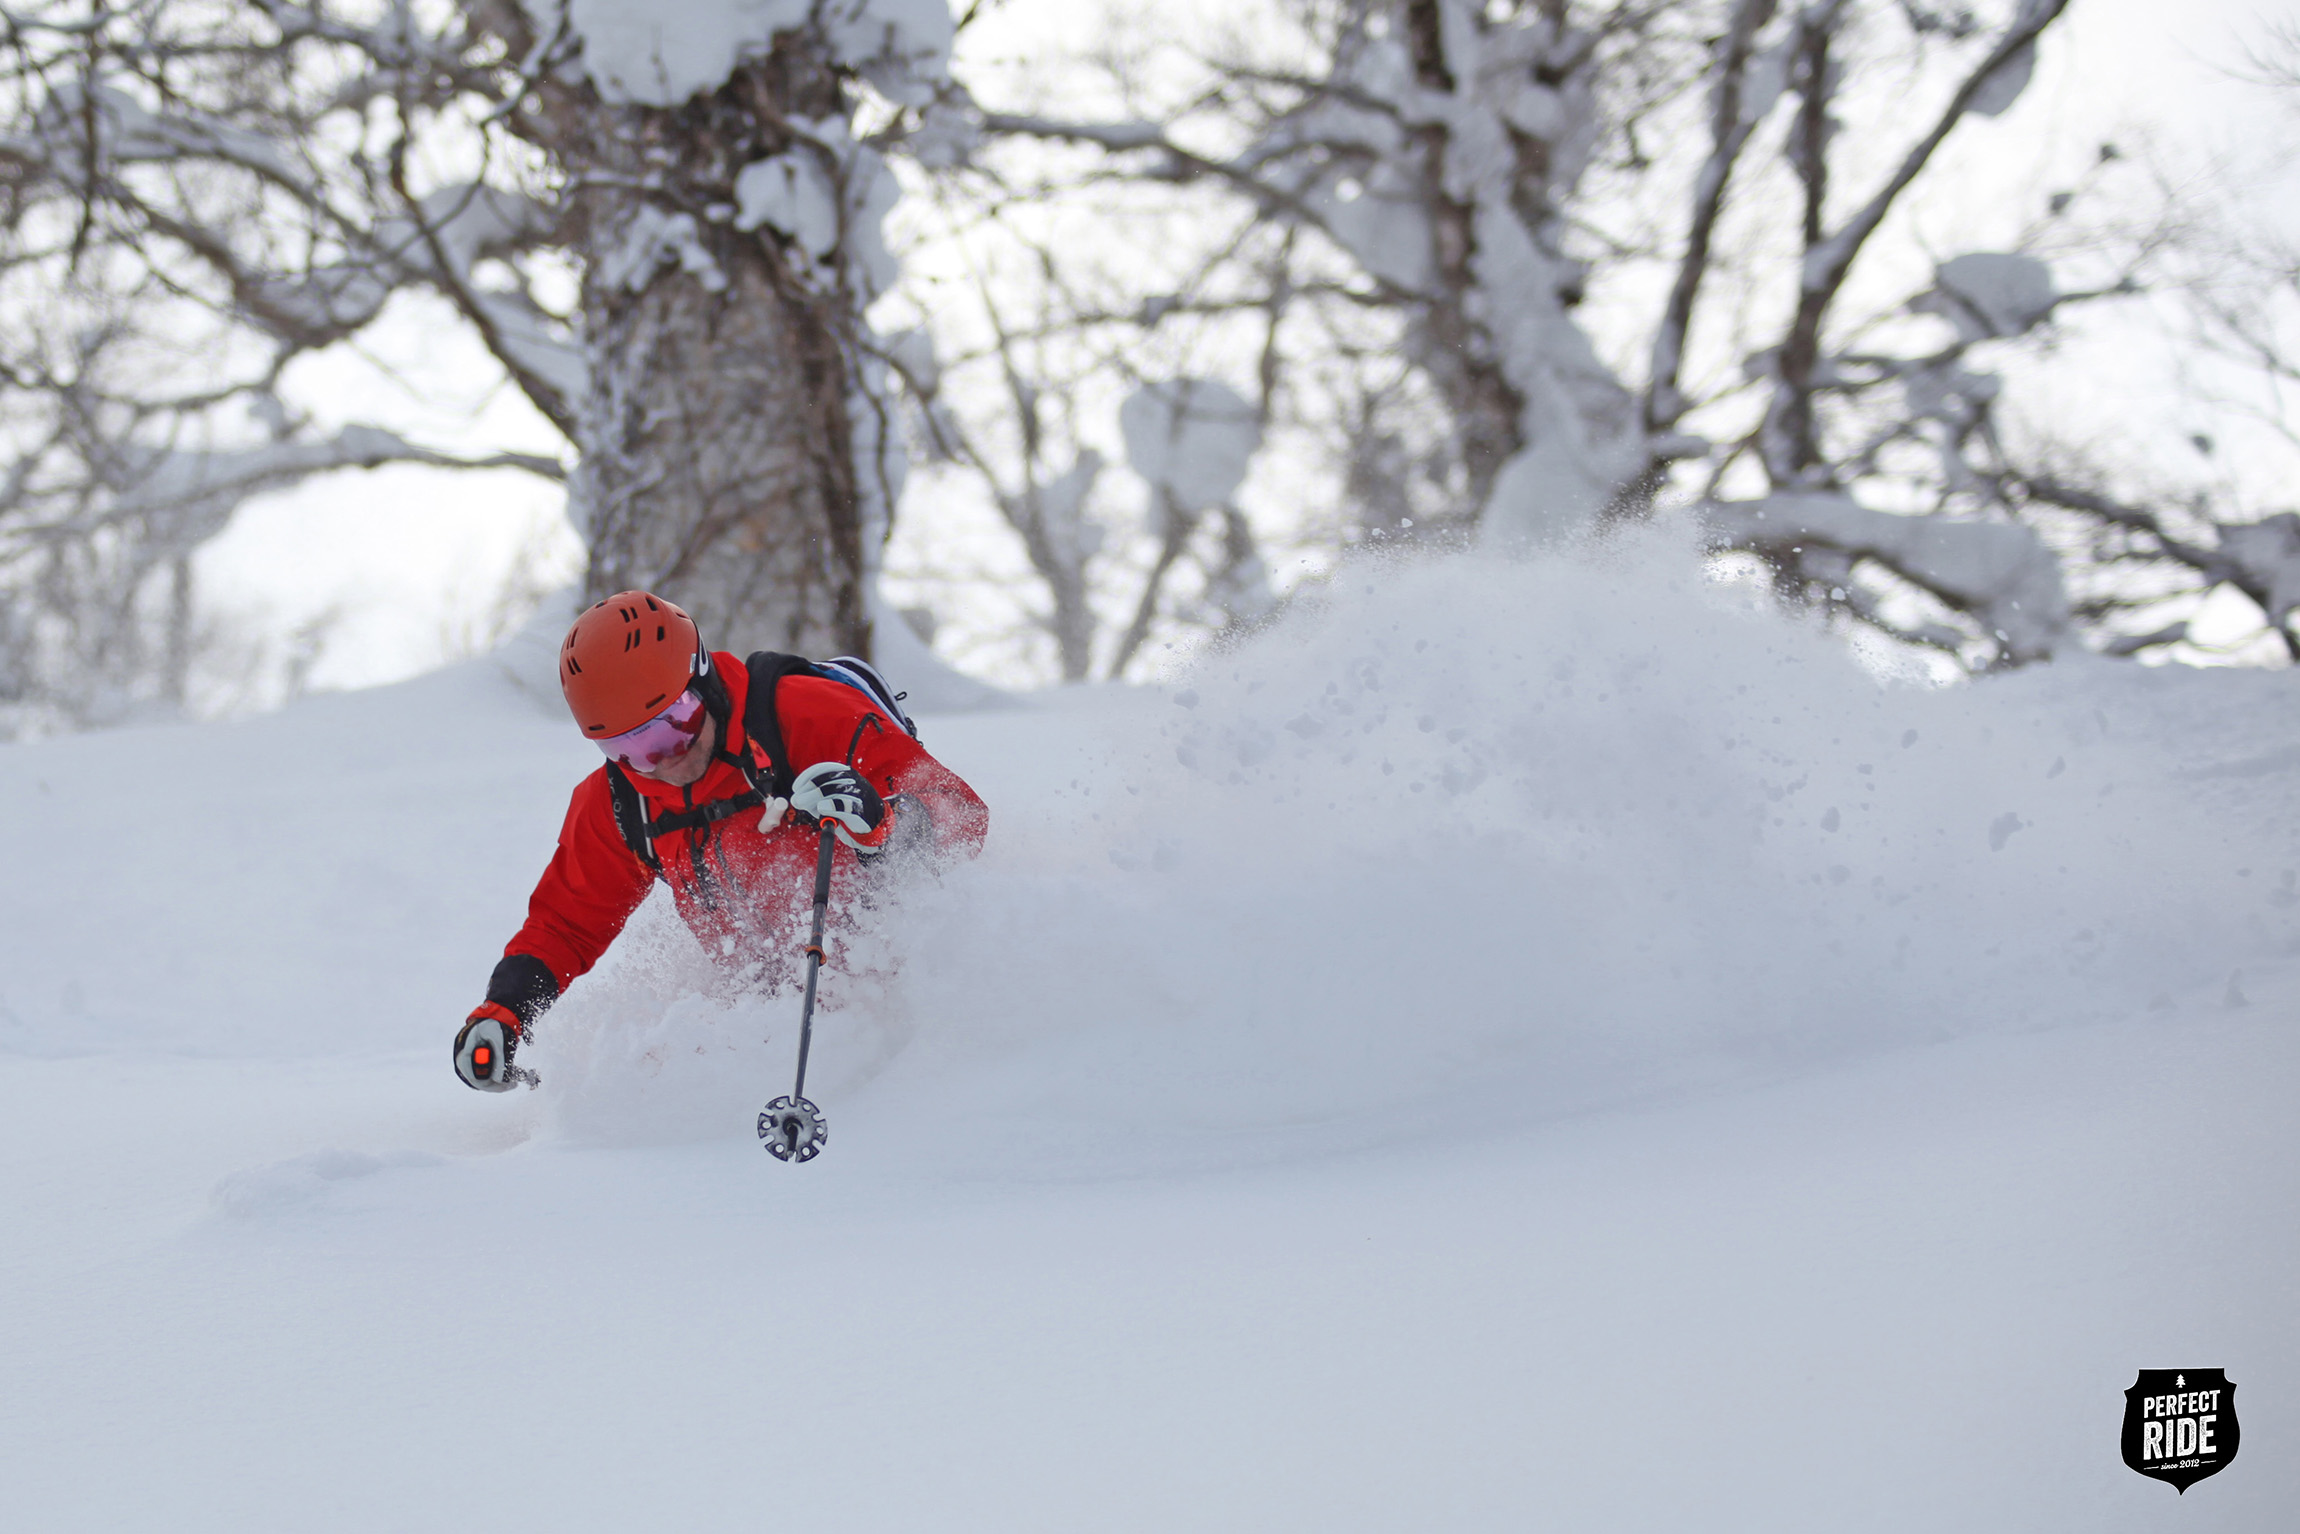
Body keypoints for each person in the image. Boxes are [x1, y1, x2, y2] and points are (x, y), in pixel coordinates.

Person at [453, 590, 988, 1091]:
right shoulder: (623, 802)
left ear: (704, 683)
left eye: (673, 726)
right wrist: (507, 1008)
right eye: (631, 748)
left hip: (909, 1014)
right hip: (773, 1029)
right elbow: (566, 922)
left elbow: (962, 819)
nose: (664, 761)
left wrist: (881, 826)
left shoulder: (804, 716)